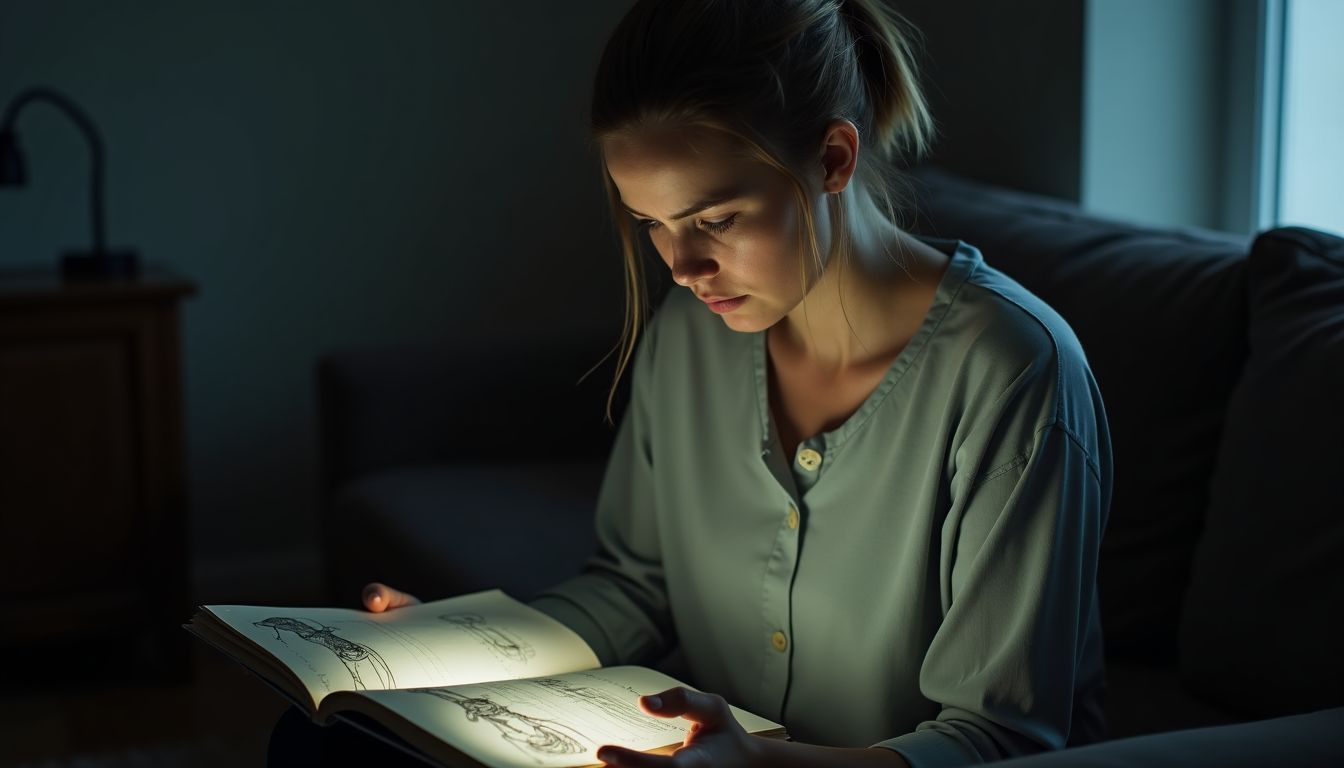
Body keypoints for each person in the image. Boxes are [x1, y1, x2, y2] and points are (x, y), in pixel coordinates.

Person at [358, 0, 1113, 766]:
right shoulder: (691, 337)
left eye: (715, 219)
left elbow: (1002, 737)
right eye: (652, 223)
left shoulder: (1013, 371)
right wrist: (457, 647)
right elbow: (635, 586)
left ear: (832, 160)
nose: (682, 268)